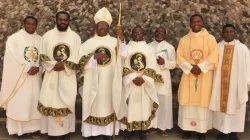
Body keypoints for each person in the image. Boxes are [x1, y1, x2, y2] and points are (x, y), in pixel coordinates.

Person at [78, 7, 125, 140]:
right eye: (100, 25)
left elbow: (124, 56)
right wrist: (93, 57)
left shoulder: (114, 41)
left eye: (105, 25)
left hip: (109, 81)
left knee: (109, 104)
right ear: (96, 26)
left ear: (109, 27)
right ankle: (90, 133)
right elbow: (80, 63)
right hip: (92, 81)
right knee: (92, 105)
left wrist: (121, 39)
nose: (102, 27)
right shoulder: (88, 44)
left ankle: (108, 132)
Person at [38, 11, 81, 140]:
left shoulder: (75, 37)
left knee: (66, 103)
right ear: (56, 20)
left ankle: (66, 132)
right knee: (52, 102)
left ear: (69, 21)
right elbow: (42, 54)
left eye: (65, 20)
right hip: (51, 76)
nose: (63, 22)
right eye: (60, 19)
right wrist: (52, 64)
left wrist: (65, 65)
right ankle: (53, 133)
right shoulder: (47, 36)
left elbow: (78, 56)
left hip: (67, 76)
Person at [176, 14, 219, 140]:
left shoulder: (210, 39)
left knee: (202, 102)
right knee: (187, 103)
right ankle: (187, 129)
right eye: (193, 22)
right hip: (189, 76)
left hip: (204, 77)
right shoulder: (184, 40)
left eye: (198, 21)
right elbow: (179, 57)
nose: (196, 24)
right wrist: (191, 68)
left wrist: (200, 67)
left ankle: (201, 131)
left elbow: (214, 55)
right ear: (190, 24)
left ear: (202, 23)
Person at [0, 16, 41, 140]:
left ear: (36, 26)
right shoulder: (14, 39)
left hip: (35, 79)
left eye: (33, 24)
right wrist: (27, 68)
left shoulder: (40, 39)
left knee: (33, 103)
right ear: (24, 24)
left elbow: (44, 57)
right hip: (20, 78)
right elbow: (11, 57)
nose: (30, 26)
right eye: (28, 24)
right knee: (20, 103)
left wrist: (38, 67)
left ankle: (33, 129)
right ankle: (18, 130)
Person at [119, 26, 163, 140]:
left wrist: (144, 78)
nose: (138, 34)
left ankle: (142, 131)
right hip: (131, 83)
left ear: (143, 34)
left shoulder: (149, 49)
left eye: (140, 32)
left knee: (144, 108)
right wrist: (133, 77)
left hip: (144, 84)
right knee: (130, 108)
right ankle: (129, 131)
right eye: (135, 32)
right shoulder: (126, 48)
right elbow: (123, 63)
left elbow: (153, 64)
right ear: (132, 34)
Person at [209, 24, 250, 140]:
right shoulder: (217, 47)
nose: (229, 34)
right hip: (219, 85)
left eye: (231, 32)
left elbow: (248, 66)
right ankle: (222, 132)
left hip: (236, 86)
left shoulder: (243, 48)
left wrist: (247, 83)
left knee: (235, 109)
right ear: (222, 34)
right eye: (226, 32)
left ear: (235, 33)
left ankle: (233, 133)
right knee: (220, 109)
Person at [146, 27, 176, 137]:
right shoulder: (149, 46)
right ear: (154, 33)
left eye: (162, 32)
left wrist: (164, 62)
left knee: (163, 104)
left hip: (164, 80)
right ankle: (151, 126)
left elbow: (174, 64)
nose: (159, 34)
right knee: (151, 103)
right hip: (151, 79)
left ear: (165, 34)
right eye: (157, 31)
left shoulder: (170, 47)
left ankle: (162, 127)